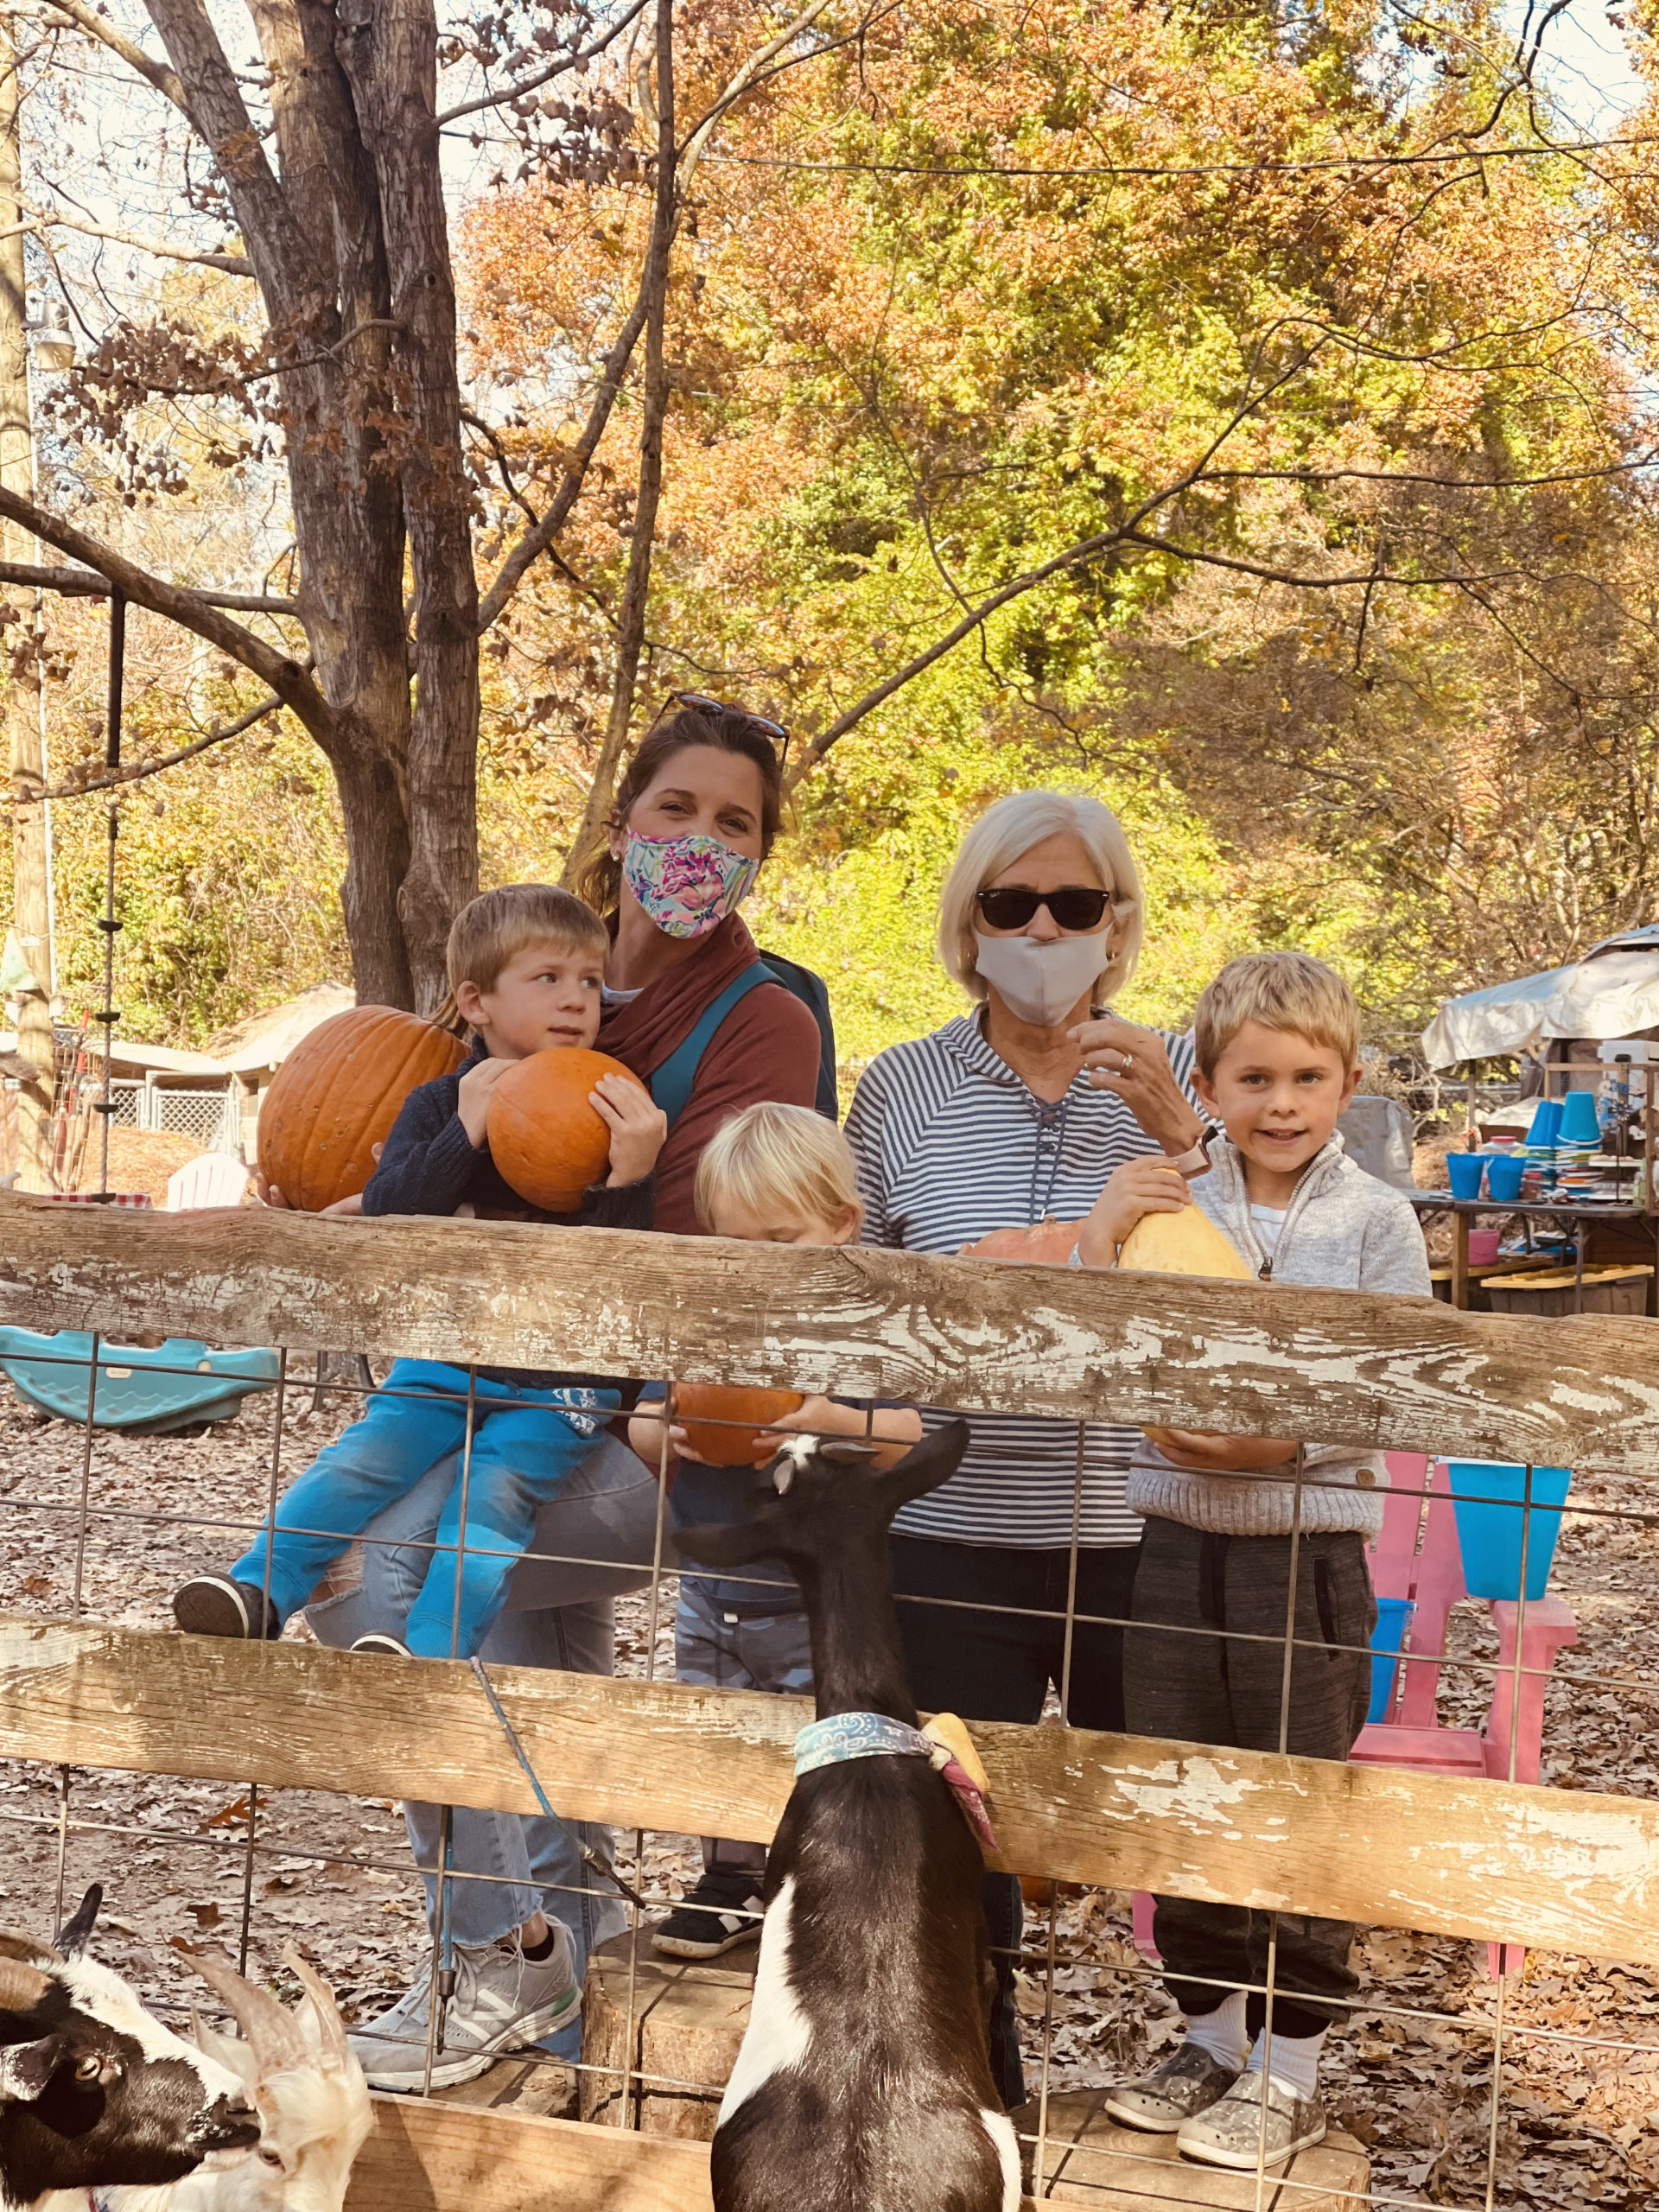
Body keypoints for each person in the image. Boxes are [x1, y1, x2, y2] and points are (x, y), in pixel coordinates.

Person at [299, 700, 831, 2092]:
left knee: (374, 1579)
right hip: (497, 1387)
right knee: (536, 1656)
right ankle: (566, 1962)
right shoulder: (550, 976)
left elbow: (728, 1248)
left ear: (764, 854)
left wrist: (627, 1167)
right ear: (623, 823)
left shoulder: (761, 1017)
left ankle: (495, 1964)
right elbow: (435, 1160)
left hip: (661, 1422)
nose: (700, 842)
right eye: (677, 810)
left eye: (736, 823)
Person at [842, 786, 1211, 2109]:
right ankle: (970, 2089)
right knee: (958, 1836)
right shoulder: (899, 1089)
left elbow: (1259, 1290)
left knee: (1168, 1823)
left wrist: (1186, 1135)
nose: (1045, 928)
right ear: (968, 923)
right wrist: (1057, 1254)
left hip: (1146, 1525)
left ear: (1120, 926)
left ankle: (1230, 2062)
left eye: (1076, 904)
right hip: (952, 1523)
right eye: (1014, 905)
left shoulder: (1192, 1085)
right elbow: (868, 1301)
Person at [1078, 951, 1430, 2171]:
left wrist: (1285, 1437)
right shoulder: (1171, 1195)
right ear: (1210, 1084)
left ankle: (1289, 2065)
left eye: (1308, 1077)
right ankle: (1212, 2036)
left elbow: (1394, 1379)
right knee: (1186, 1793)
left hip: (1307, 1551)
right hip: (1173, 1538)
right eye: (1253, 1078)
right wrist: (1102, 1236)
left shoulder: (1379, 1221)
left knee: (1296, 1804)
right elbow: (1111, 1326)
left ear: (1347, 1084)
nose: (1281, 1103)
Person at [172, 885, 667, 1664]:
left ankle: (429, 1654)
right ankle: (258, 1590)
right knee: (364, 1458)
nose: (577, 1000)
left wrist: (631, 1178)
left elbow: (610, 1278)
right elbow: (392, 1213)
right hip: (444, 1362)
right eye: (549, 979)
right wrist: (466, 1132)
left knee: (494, 1505)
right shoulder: (438, 1103)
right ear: (476, 1001)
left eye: (589, 982)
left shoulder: (612, 1105)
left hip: (560, 1385)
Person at [624, 1103, 921, 1960]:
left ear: (843, 1226)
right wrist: (669, 1428)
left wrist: (838, 1419)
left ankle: (818, 1878)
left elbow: (907, 1431)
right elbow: (645, 1419)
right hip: (712, 1584)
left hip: (811, 1597)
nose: (756, 1264)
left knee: (817, 1736)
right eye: (736, 1243)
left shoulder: (860, 1328)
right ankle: (726, 1880)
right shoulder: (709, 1323)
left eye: (779, 1240)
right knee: (718, 1733)